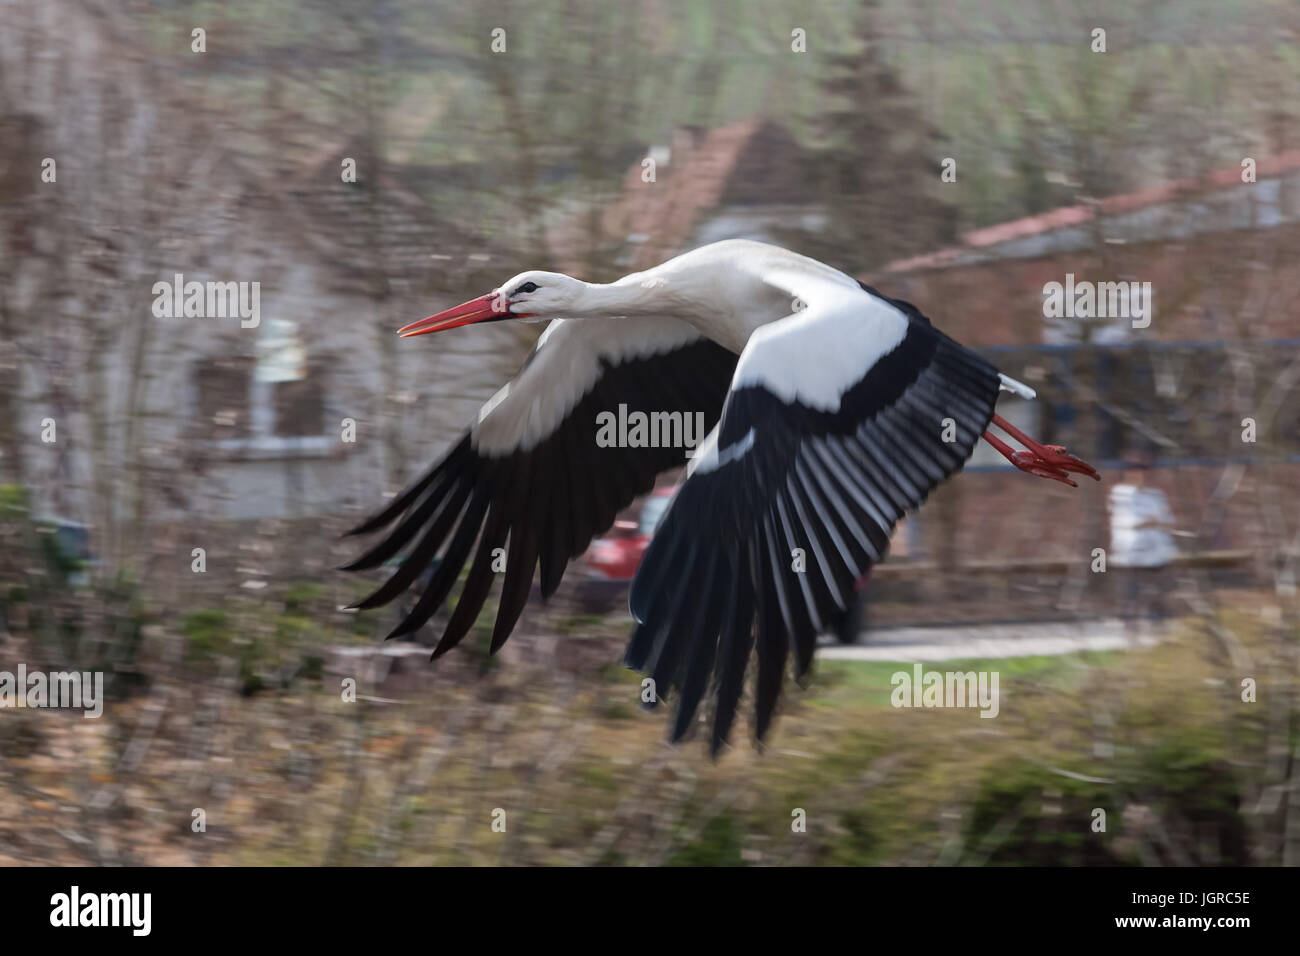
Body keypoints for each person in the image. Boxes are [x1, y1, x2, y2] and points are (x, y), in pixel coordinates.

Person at [1107, 449, 1175, 635]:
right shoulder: (1120, 493)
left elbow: (1167, 521)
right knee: (1131, 594)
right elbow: (1127, 521)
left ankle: (1159, 631)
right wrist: (1150, 522)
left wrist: (1152, 523)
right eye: (1135, 469)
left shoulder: (1156, 495)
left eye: (1144, 470)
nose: (1140, 474)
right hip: (1130, 553)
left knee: (1157, 594)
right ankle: (1130, 631)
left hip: (1156, 553)